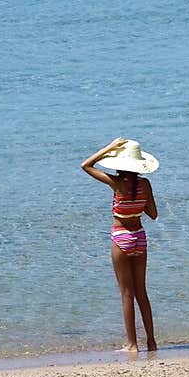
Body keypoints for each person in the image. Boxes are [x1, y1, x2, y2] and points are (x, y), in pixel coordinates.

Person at [81, 137, 159, 354]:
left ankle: (132, 345)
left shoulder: (115, 183)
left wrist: (108, 147)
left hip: (121, 237)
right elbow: (153, 214)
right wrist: (137, 203)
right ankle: (151, 342)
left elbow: (85, 165)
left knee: (126, 294)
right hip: (139, 238)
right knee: (141, 293)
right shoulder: (145, 184)